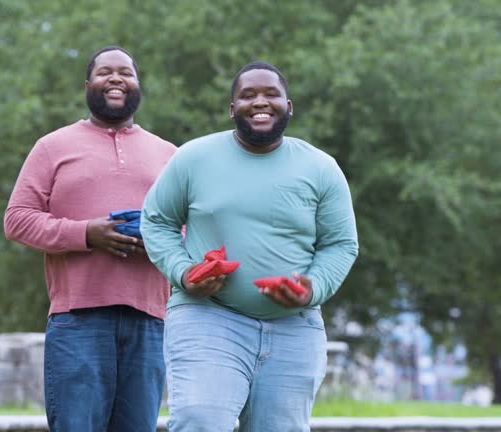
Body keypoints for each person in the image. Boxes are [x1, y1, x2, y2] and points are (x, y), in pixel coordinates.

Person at [141, 61, 359, 431]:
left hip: (294, 327)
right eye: (248, 95)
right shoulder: (194, 158)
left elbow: (341, 244)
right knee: (200, 420)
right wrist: (183, 271)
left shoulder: (321, 168)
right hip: (208, 317)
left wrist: (313, 288)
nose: (260, 102)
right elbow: (156, 221)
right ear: (232, 109)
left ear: (289, 107)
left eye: (272, 94)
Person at [4, 45, 176, 432]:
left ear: (138, 85)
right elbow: (17, 220)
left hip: (149, 321)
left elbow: (190, 229)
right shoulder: (52, 147)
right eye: (105, 72)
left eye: (126, 72)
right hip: (78, 321)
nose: (116, 78)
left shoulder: (169, 155)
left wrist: (158, 239)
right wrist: (86, 234)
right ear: (87, 85)